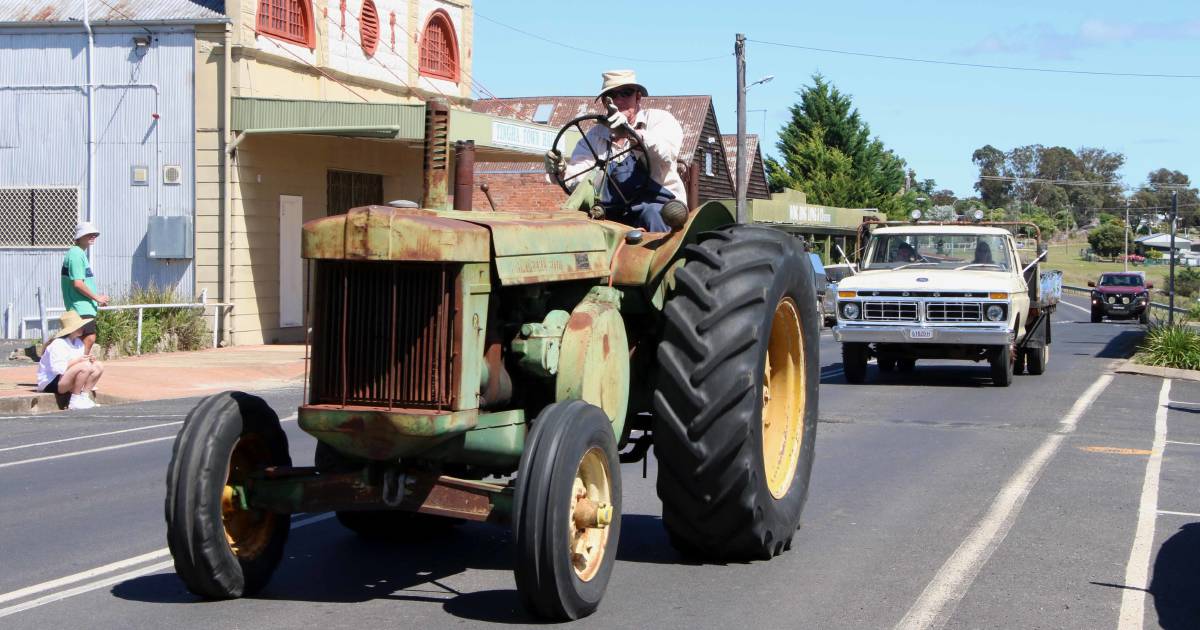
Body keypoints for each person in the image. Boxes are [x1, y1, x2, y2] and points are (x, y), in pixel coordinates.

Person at [545, 70, 686, 232]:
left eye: (626, 93)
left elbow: (666, 154)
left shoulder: (659, 121)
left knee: (653, 215)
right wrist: (561, 170)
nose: (618, 100)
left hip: (658, 204)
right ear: (605, 102)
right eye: (611, 96)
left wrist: (631, 133)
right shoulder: (594, 137)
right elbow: (581, 177)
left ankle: (664, 256)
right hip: (611, 210)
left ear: (638, 97)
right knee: (580, 225)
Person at [36, 311, 104, 410]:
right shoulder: (58, 344)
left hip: (65, 378)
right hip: (51, 382)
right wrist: (79, 361)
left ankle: (84, 397)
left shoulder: (78, 342)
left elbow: (80, 363)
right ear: (72, 329)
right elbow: (57, 369)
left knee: (98, 365)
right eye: (79, 326)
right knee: (85, 366)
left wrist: (88, 360)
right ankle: (75, 400)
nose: (83, 328)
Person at [61, 221, 110, 355]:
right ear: (79, 237)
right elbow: (78, 283)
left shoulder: (79, 254)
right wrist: (97, 298)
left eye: (94, 234)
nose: (92, 236)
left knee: (83, 340)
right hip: (79, 306)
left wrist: (96, 299)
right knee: (88, 338)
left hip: (84, 306)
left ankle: (78, 368)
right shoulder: (76, 254)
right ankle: (77, 369)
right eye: (89, 234)